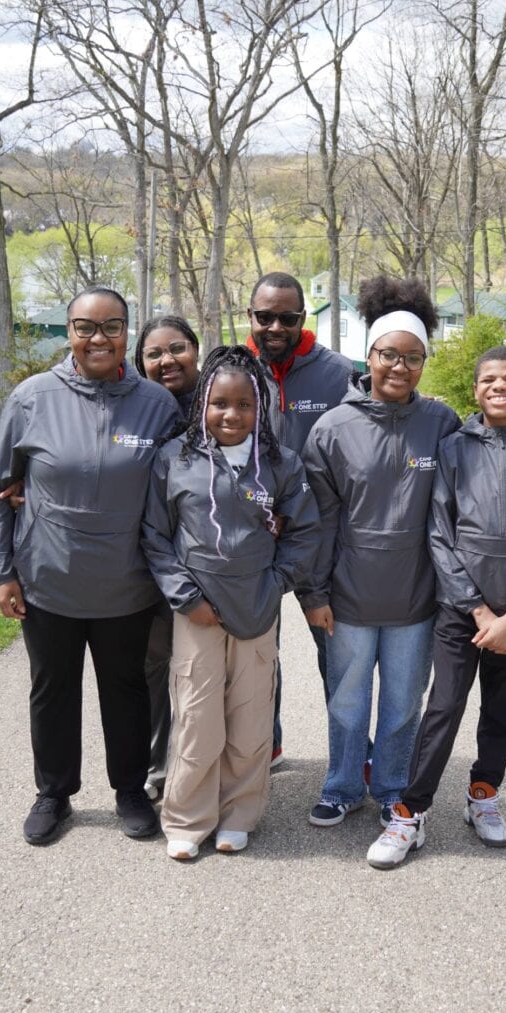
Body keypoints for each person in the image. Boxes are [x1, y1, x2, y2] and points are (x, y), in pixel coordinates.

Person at [0, 285, 181, 846]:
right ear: (69, 332)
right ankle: (54, 793)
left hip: (127, 583)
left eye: (112, 327)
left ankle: (130, 791)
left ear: (127, 333)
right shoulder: (31, 398)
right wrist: (0, 571)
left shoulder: (156, 405)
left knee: (127, 690)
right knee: (53, 690)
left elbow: (179, 489)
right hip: (48, 581)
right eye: (85, 327)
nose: (98, 338)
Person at [366, 345, 506, 869]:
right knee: (443, 708)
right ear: (475, 389)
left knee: (505, 710)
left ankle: (483, 795)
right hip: (462, 611)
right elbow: (440, 533)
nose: (498, 387)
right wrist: (479, 612)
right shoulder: (455, 447)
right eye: (488, 380)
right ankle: (410, 813)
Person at [299, 276, 461, 856]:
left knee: (401, 704)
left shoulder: (441, 424)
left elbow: (488, 462)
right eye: (388, 354)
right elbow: (316, 522)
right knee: (346, 701)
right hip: (347, 598)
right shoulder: (332, 429)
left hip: (416, 598)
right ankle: (342, 785)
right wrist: (313, 592)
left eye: (412, 357)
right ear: (368, 356)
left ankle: (393, 787)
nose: (399, 366)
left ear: (423, 363)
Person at [141, 346, 320, 860]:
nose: (231, 414)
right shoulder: (174, 459)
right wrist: (186, 597)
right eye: (220, 403)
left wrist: (276, 582)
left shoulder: (281, 464)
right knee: (197, 718)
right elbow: (156, 537)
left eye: (244, 404)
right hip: (197, 610)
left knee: (250, 717)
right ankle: (187, 818)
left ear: (259, 408)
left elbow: (304, 532)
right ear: (203, 404)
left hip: (257, 607)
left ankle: (240, 813)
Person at [245, 271, 355, 763]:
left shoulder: (336, 372)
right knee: (257, 656)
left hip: (320, 539)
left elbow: (387, 416)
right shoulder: (232, 366)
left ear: (302, 319)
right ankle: (266, 746)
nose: (274, 327)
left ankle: (352, 759)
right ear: (250, 316)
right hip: (251, 539)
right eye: (264, 317)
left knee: (336, 657)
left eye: (285, 318)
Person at [134, 314, 201, 802]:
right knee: (157, 665)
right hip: (151, 560)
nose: (166, 360)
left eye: (176, 348)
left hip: (218, 562)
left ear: (196, 351)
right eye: (153, 354)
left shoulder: (223, 399)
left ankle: (239, 757)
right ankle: (158, 765)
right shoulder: (136, 410)